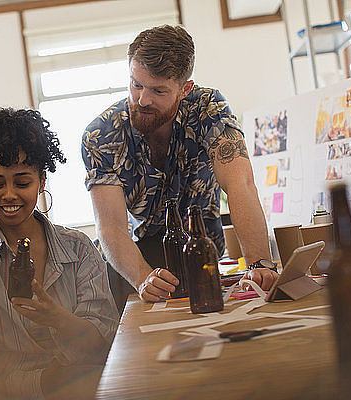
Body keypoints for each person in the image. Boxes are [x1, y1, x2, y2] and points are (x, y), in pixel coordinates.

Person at [0, 108, 119, 399]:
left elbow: (101, 346)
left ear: (42, 181)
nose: (8, 195)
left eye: (22, 182)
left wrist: (58, 319)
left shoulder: (78, 249)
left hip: (73, 387)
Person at [82, 25, 278, 305]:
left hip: (203, 252)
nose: (142, 99)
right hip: (135, 261)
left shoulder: (208, 108)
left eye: (158, 91)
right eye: (136, 84)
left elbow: (240, 184)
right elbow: (111, 227)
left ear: (185, 88)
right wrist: (143, 279)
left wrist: (260, 264)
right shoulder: (101, 134)